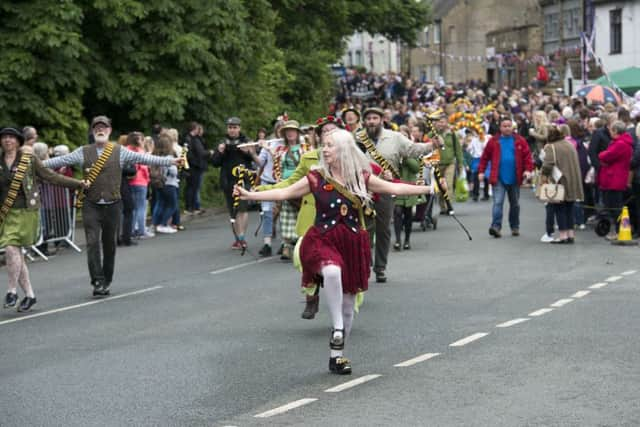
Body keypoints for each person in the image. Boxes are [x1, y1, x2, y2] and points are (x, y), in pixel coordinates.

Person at [234, 129, 433, 375]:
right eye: (323, 145)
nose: (324, 149)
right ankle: (337, 327)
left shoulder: (361, 177)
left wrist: (428, 189)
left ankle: (336, 356)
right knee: (330, 269)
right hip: (323, 239)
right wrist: (250, 194)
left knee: (349, 305)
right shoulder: (316, 177)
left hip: (352, 241)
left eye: (329, 145)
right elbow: (284, 192)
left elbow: (395, 188)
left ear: (343, 149)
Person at [43, 116, 182, 297]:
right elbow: (57, 162)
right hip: (90, 204)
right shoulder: (83, 151)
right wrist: (31, 165)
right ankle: (97, 281)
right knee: (92, 243)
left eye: (104, 128)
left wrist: (171, 161)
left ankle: (106, 279)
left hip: (113, 204)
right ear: (93, 132)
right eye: (97, 128)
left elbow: (144, 158)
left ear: (109, 131)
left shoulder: (120, 151)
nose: (100, 130)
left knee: (109, 245)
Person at [256, 116, 344, 319]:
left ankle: (342, 305)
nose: (329, 135)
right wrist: (263, 189)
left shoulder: (350, 158)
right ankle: (312, 297)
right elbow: (290, 183)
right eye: (325, 132)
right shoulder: (309, 158)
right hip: (313, 216)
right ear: (319, 136)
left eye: (333, 131)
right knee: (304, 257)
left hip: (341, 218)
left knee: (340, 263)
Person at [0, 127, 86, 312]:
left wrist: (77, 183)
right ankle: (30, 295)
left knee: (11, 248)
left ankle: (11, 290)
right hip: (7, 213)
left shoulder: (28, 160)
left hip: (27, 212)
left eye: (11, 137)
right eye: (4, 137)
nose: (7, 140)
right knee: (15, 253)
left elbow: (51, 177)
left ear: (18, 141)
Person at [357, 107, 435, 283]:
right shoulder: (357, 138)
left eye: (375, 118)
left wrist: (432, 145)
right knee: (364, 229)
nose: (371, 121)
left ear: (382, 120)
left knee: (383, 229)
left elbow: (413, 150)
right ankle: (364, 265)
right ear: (364, 121)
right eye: (368, 118)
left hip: (385, 188)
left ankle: (380, 267)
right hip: (362, 189)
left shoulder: (394, 137)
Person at [479, 116, 534, 238]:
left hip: (515, 177)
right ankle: (496, 227)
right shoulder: (493, 141)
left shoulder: (520, 140)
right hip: (498, 177)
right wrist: (481, 172)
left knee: (514, 204)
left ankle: (515, 227)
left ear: (513, 127)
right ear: (500, 127)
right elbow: (484, 157)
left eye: (509, 126)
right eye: (504, 126)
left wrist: (528, 170)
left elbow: (527, 157)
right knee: (498, 202)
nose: (507, 128)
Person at [211, 117, 255, 250]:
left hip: (242, 179)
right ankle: (237, 238)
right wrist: (220, 151)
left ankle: (242, 237)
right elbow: (214, 162)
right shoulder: (222, 142)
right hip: (227, 180)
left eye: (235, 127)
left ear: (239, 128)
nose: (232, 130)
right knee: (233, 212)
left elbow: (253, 157)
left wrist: (248, 151)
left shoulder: (245, 141)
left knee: (242, 208)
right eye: (230, 127)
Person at [540, 125, 584, 243]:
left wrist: (543, 176)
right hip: (573, 179)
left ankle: (563, 236)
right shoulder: (569, 144)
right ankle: (570, 234)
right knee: (569, 208)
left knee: (560, 208)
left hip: (560, 181)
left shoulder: (551, 146)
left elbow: (548, 165)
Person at [598, 120, 633, 240]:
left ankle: (618, 232)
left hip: (614, 180)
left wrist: (602, 155)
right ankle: (617, 231)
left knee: (614, 208)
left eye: (611, 130)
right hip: (614, 178)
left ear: (616, 131)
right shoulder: (622, 142)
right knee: (614, 207)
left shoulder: (620, 144)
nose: (610, 132)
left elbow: (605, 156)